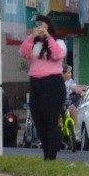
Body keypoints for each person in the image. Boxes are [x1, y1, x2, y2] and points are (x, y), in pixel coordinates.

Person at [22, 15, 68, 160]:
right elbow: (23, 52)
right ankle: (46, 154)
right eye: (38, 26)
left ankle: (51, 157)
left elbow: (58, 55)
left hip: (52, 84)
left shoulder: (58, 42)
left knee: (50, 121)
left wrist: (48, 38)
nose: (40, 29)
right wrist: (31, 37)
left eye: (43, 26)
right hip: (35, 84)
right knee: (38, 121)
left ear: (49, 27)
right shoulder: (34, 44)